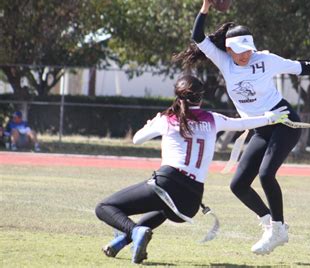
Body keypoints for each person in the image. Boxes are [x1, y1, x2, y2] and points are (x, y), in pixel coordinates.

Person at [173, 0, 310, 255]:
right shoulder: (224, 61)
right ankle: (271, 225)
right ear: (229, 50)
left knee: (267, 174)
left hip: (283, 121)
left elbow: (302, 67)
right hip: (260, 128)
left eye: (248, 49)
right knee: (238, 185)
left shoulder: (265, 59)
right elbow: (198, 37)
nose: (245, 55)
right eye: (239, 51)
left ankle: (278, 229)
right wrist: (206, 6)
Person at [95, 75, 289, 264]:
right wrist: (271, 117)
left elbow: (137, 139)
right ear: (201, 97)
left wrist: (151, 124)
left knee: (104, 208)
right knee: (163, 207)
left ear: (177, 96)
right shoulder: (213, 119)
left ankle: (134, 231)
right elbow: (243, 123)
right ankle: (122, 241)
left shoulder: (166, 119)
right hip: (191, 201)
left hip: (168, 182)